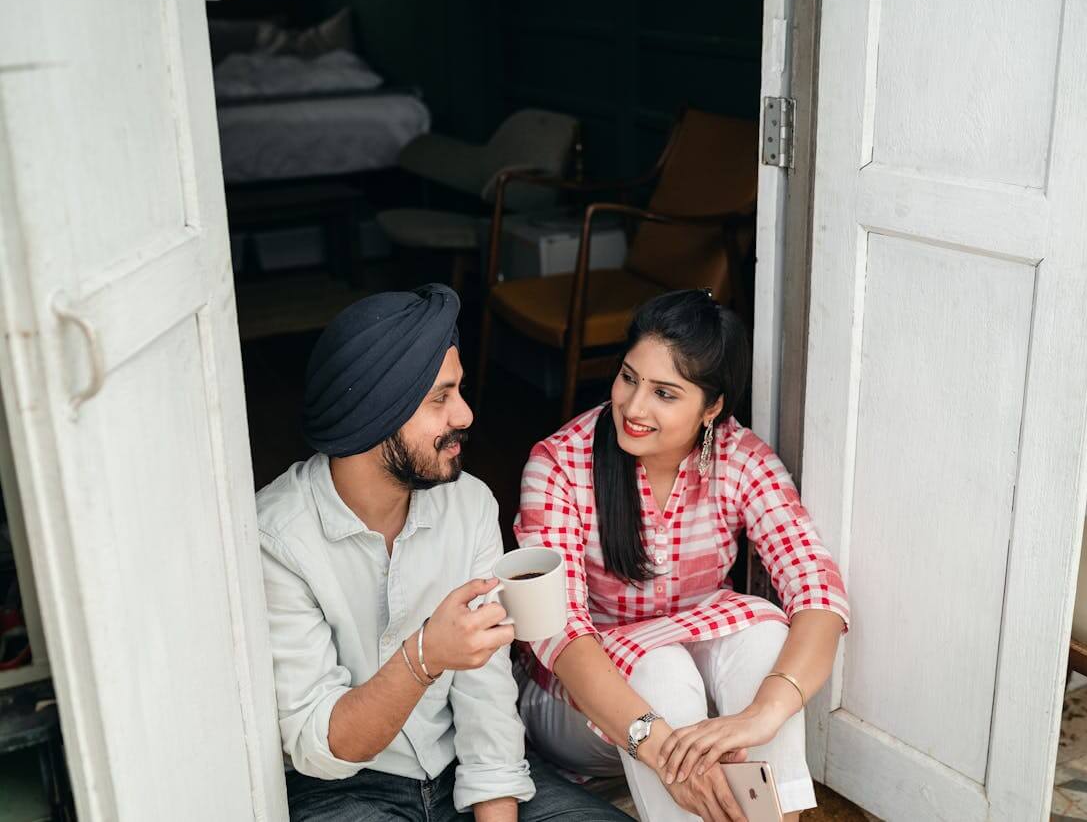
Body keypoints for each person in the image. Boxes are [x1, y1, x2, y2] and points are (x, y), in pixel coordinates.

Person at [256, 284, 630, 821]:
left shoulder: (469, 504)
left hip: (460, 767)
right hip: (344, 791)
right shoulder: (279, 538)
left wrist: (494, 807)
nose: (466, 414)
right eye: (441, 398)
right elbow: (322, 744)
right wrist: (427, 654)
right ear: (373, 413)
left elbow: (486, 699)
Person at [515, 289, 850, 822]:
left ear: (712, 406)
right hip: (580, 711)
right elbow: (559, 633)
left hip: (699, 704)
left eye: (665, 394)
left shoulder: (741, 458)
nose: (634, 406)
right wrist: (664, 747)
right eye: (629, 378)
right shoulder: (559, 464)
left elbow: (816, 587)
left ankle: (775, 818)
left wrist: (766, 713)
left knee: (767, 636)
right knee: (662, 668)